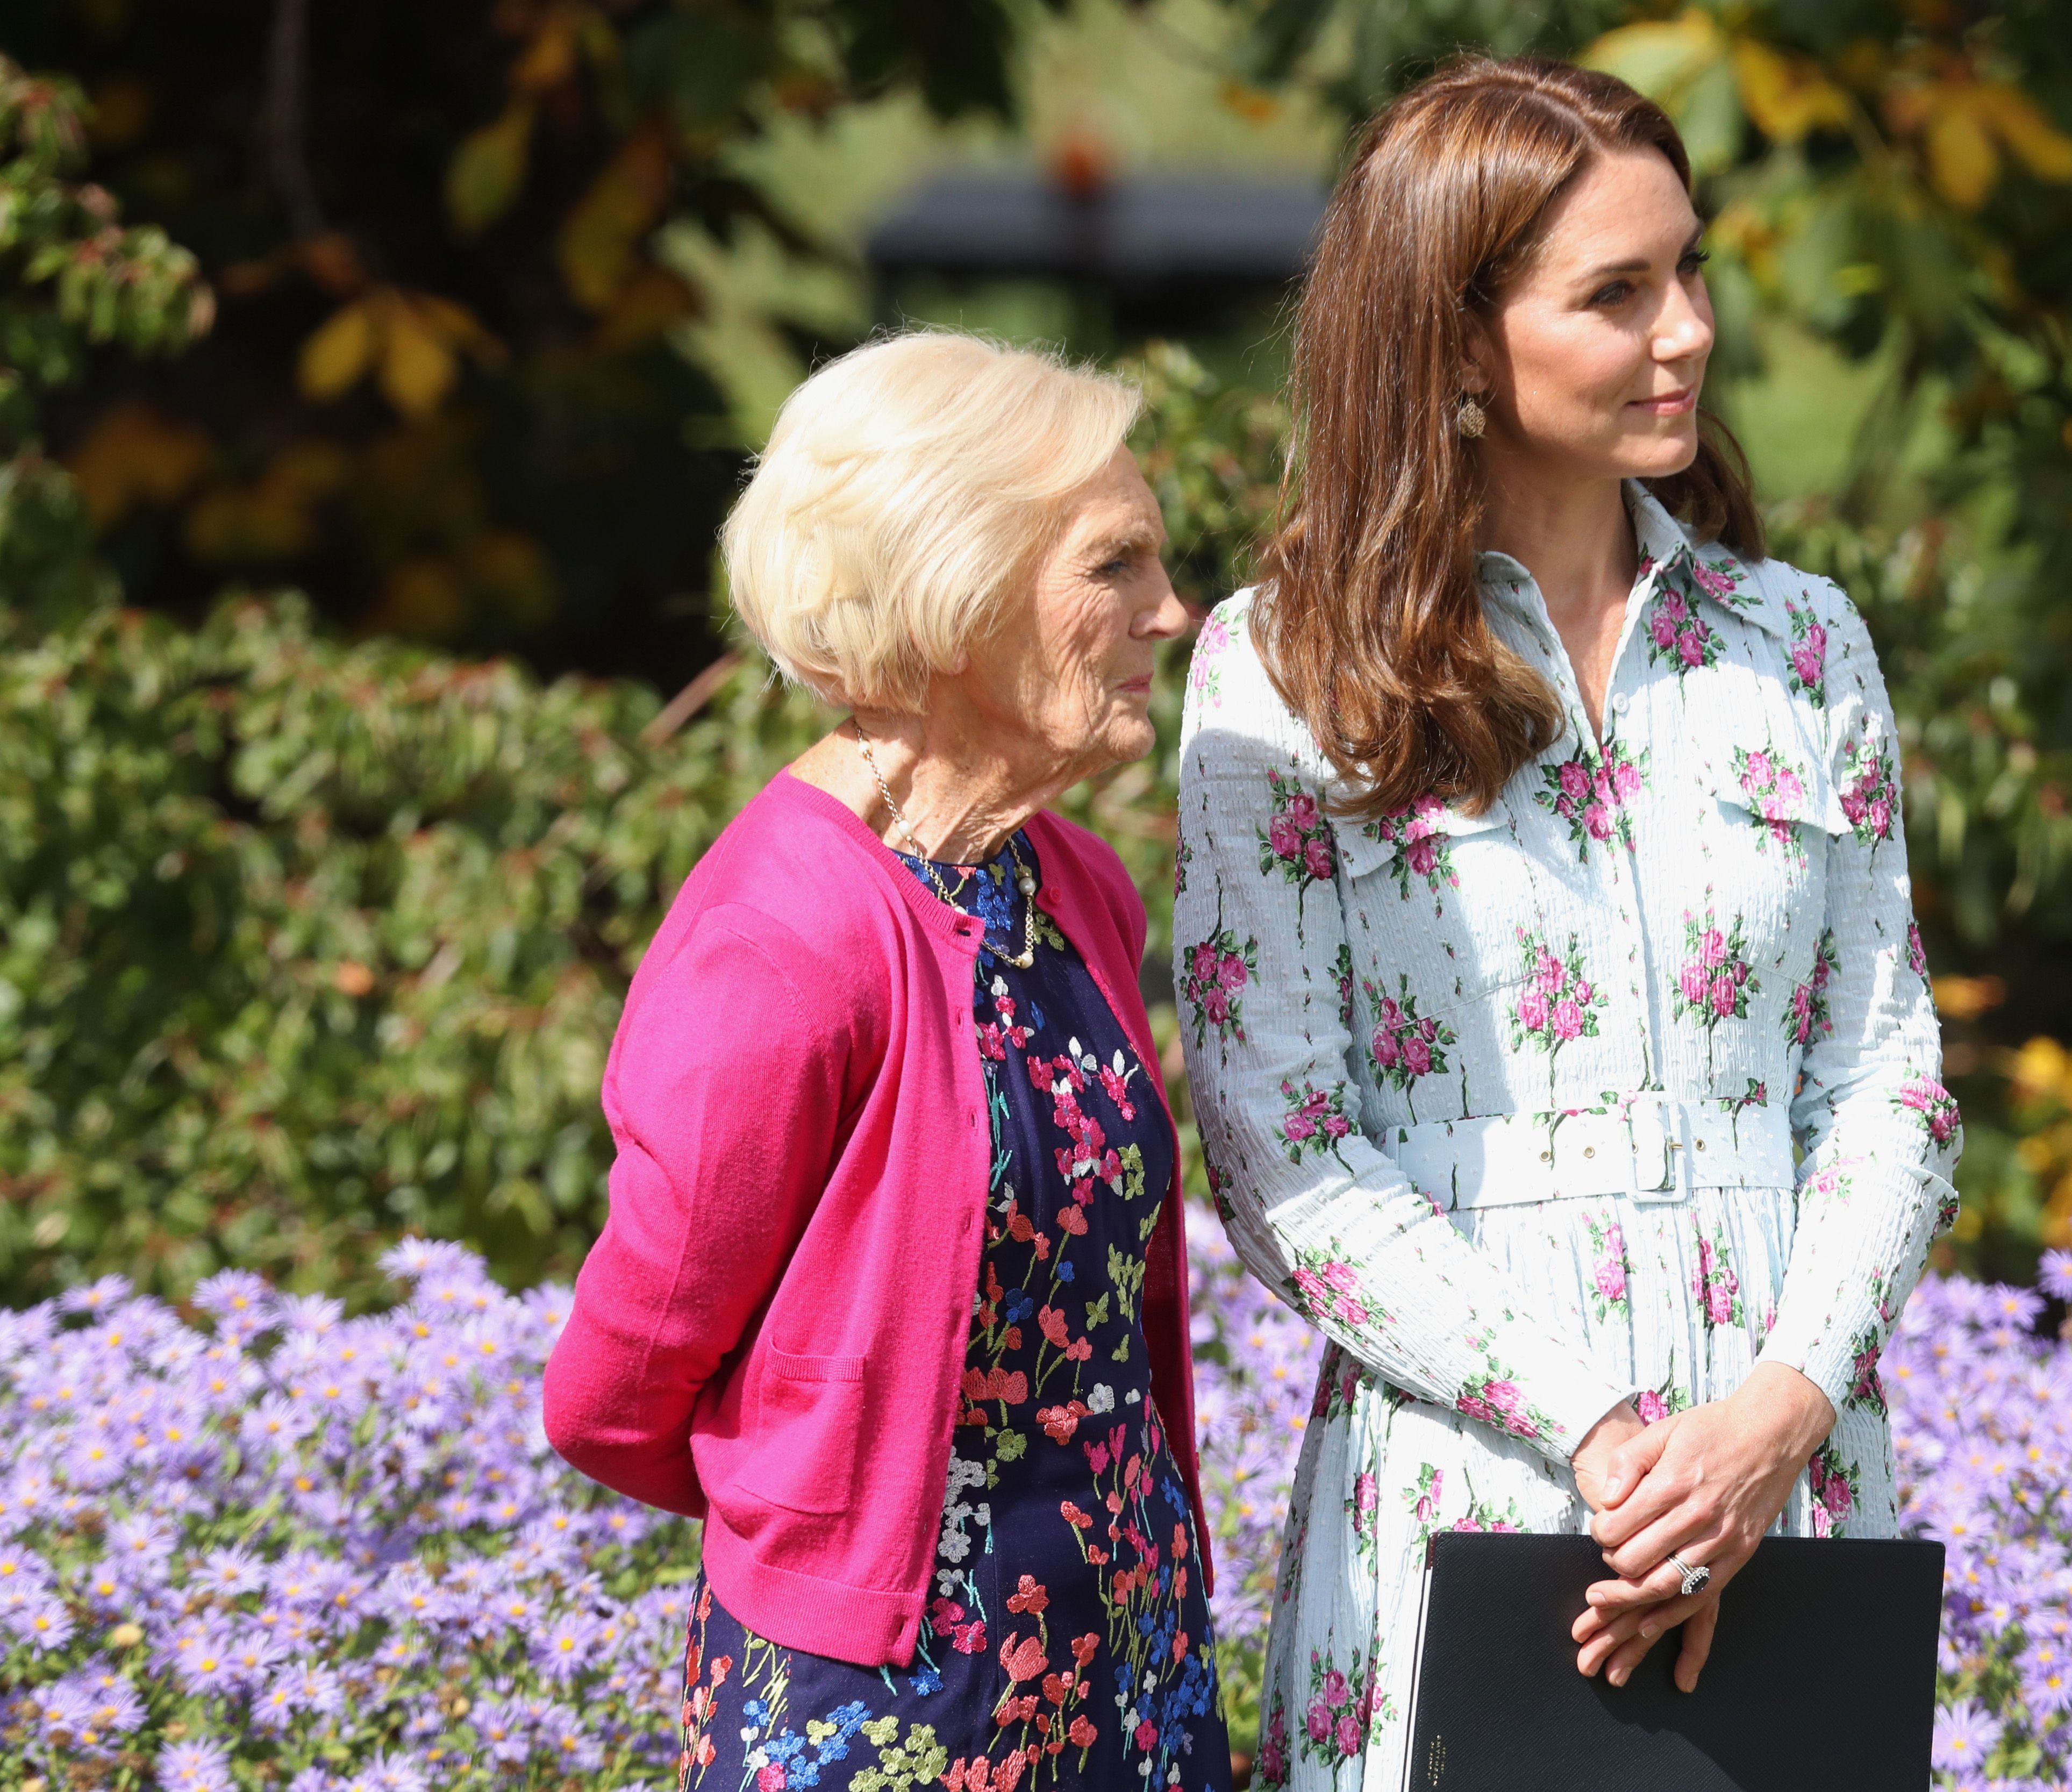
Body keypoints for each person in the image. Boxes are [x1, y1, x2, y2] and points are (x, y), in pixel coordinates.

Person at [1174, 55, 1961, 1789]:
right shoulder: (1287, 670)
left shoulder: (1803, 643)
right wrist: (1606, 1440)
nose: (1685, 330)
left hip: (1793, 1487)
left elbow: (1890, 1078)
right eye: (1617, 292)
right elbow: (1273, 1137)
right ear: (1456, 339)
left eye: (1690, 270)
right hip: (1484, 1488)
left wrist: (1780, 1412)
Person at [544, 331, 1232, 1792]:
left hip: (1125, 1653)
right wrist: (820, 1515)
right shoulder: (785, 938)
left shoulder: (1077, 886)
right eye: (1114, 566)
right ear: (957, 582)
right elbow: (611, 1393)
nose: (1169, 614)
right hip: (890, 1697)